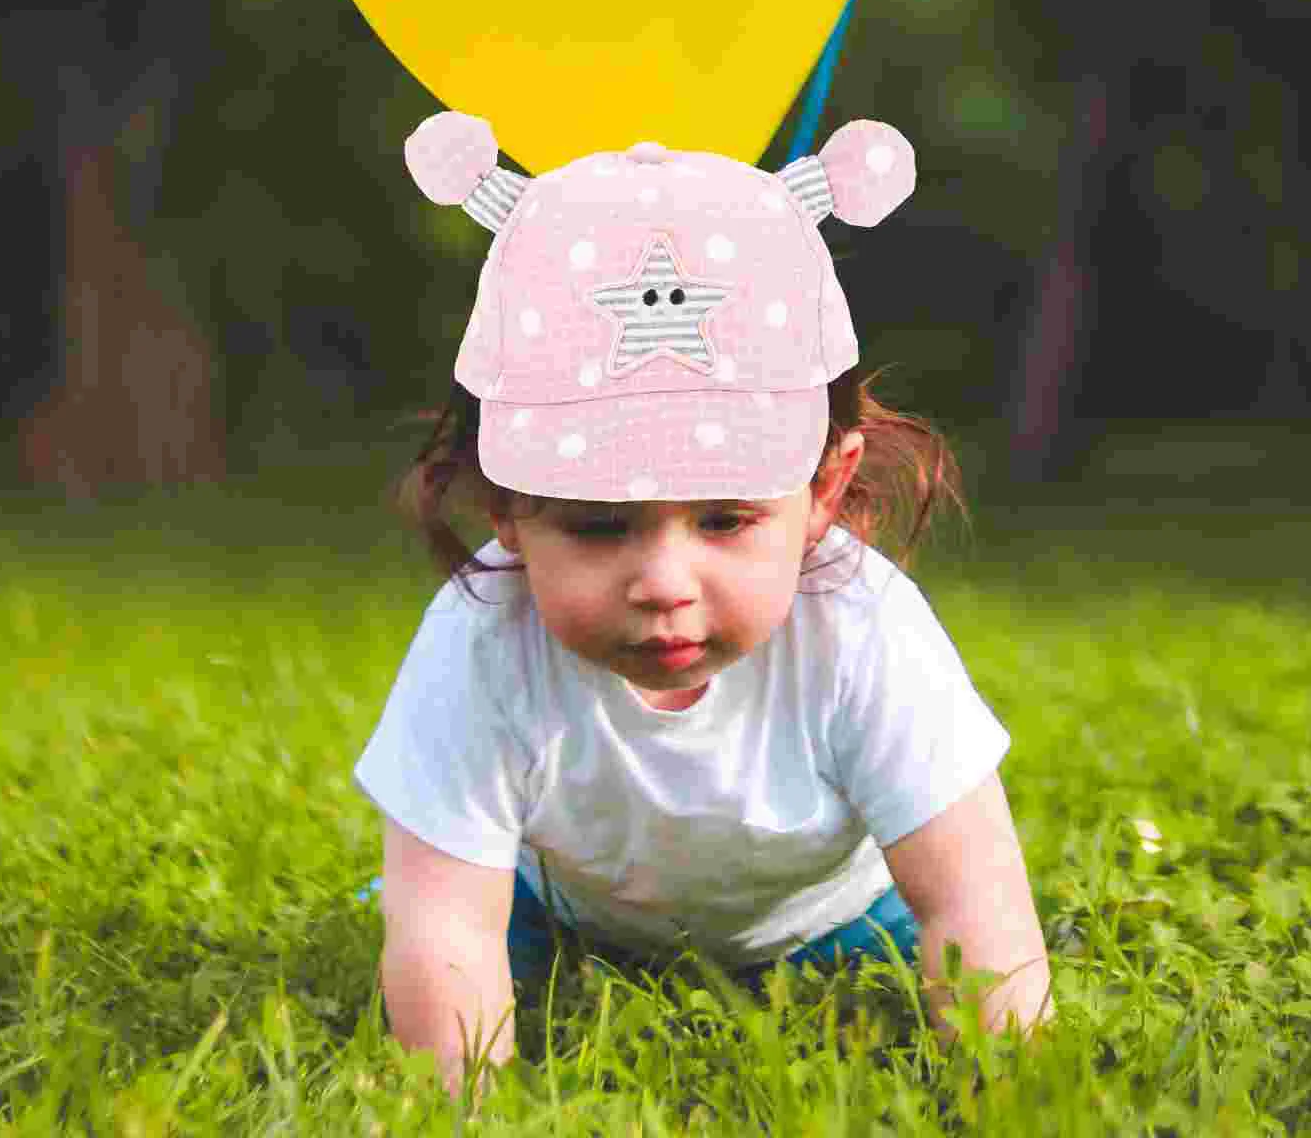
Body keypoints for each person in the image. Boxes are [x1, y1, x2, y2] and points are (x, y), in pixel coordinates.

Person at [355, 111, 1052, 1093]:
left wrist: (1010, 1091)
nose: (664, 582)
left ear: (823, 489)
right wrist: (455, 1100)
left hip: (835, 921)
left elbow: (970, 896)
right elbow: (446, 924)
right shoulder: (484, 637)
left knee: (930, 942)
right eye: (599, 526)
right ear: (504, 507)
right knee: (428, 914)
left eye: (724, 519)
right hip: (565, 911)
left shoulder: (860, 630)